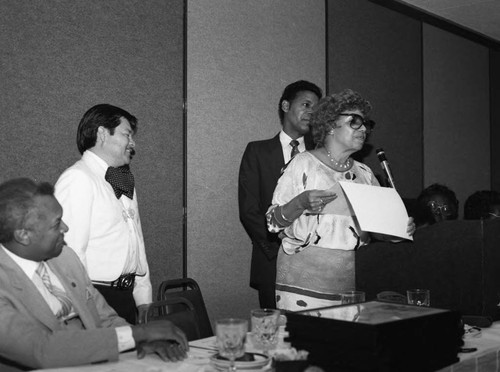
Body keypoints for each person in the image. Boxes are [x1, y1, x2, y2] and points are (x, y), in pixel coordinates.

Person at [0, 178, 188, 370]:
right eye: (56, 224)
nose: (65, 228)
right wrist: (139, 334)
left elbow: (104, 319)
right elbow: (41, 350)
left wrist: (140, 342)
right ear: (23, 235)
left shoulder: (65, 258)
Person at [266, 89, 415, 311]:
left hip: (350, 287)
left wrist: (399, 230)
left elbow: (376, 231)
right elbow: (272, 223)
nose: (363, 128)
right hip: (302, 286)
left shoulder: (365, 174)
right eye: (354, 121)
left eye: (365, 123)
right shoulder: (303, 164)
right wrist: (302, 202)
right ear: (329, 126)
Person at [55, 104, 151, 324]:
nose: (132, 143)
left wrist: (143, 298)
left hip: (125, 299)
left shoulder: (122, 180)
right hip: (95, 299)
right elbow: (69, 256)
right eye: (127, 134)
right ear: (101, 134)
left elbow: (137, 243)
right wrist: (83, 309)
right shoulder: (78, 178)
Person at [239, 80, 322, 309]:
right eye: (306, 104)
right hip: (272, 260)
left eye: (316, 108)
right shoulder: (257, 151)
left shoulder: (322, 154)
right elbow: (249, 210)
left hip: (317, 263)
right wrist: (281, 246)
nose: (311, 112)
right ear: (286, 105)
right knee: (273, 336)